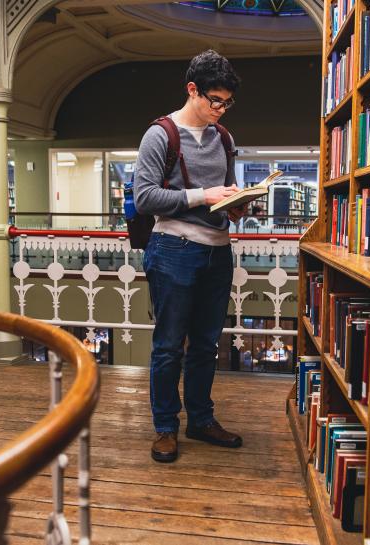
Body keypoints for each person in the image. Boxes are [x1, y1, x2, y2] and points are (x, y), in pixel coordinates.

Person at [134, 50, 245, 463]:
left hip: (219, 250)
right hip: (173, 248)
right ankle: (165, 427)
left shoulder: (224, 139)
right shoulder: (160, 135)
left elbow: (223, 192)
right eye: (215, 100)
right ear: (192, 90)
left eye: (227, 103)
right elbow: (145, 198)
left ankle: (201, 419)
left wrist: (237, 202)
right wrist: (203, 195)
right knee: (168, 346)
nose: (220, 109)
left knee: (206, 344)